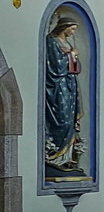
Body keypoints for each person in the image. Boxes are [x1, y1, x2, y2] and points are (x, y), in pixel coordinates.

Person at [43, 17, 83, 176]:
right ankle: (53, 157)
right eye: (71, 29)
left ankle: (66, 158)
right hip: (57, 85)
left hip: (70, 84)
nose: (72, 32)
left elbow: (75, 67)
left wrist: (74, 56)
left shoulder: (67, 44)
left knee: (70, 120)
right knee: (62, 119)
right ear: (63, 27)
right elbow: (56, 65)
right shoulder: (52, 41)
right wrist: (71, 55)